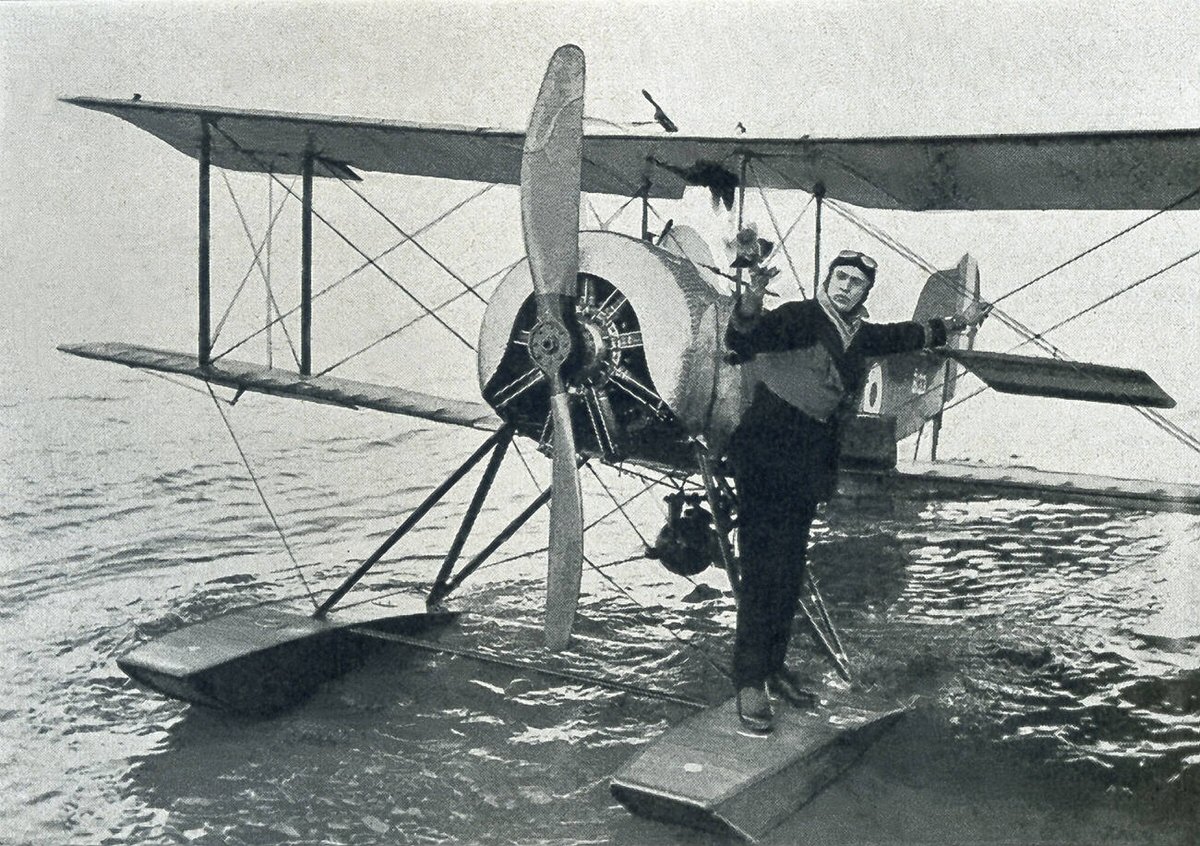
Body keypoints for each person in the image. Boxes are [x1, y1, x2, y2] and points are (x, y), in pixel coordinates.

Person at [724, 244, 990, 734]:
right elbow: (745, 337)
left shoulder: (859, 334)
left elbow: (907, 334)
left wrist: (958, 321)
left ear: (866, 291)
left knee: (789, 569)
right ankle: (748, 682)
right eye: (840, 278)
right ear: (827, 280)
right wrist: (750, 300)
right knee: (763, 569)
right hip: (764, 454)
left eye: (857, 283)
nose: (846, 287)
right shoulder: (798, 316)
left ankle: (774, 667)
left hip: (807, 464)